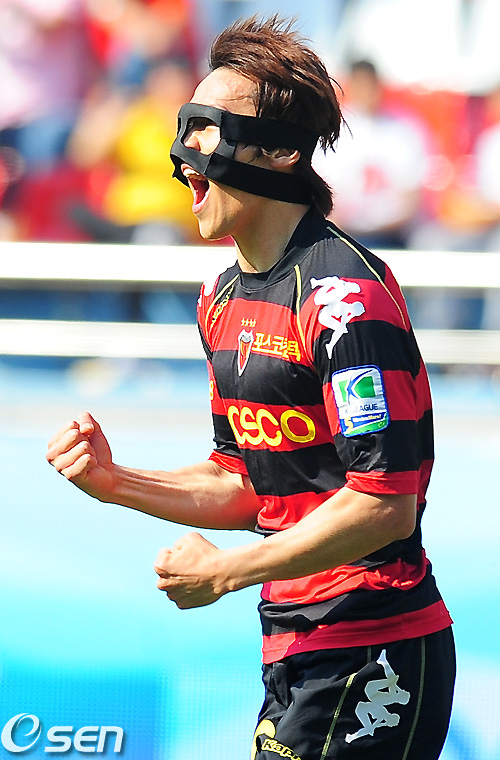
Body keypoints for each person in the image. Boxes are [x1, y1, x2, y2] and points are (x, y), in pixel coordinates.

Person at [46, 16, 455, 760]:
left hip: (374, 649)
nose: (184, 155)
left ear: (280, 152)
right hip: (292, 647)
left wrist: (226, 572)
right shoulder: (220, 298)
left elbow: (384, 503)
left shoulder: (343, 299)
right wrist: (115, 482)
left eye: (208, 128)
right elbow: (246, 483)